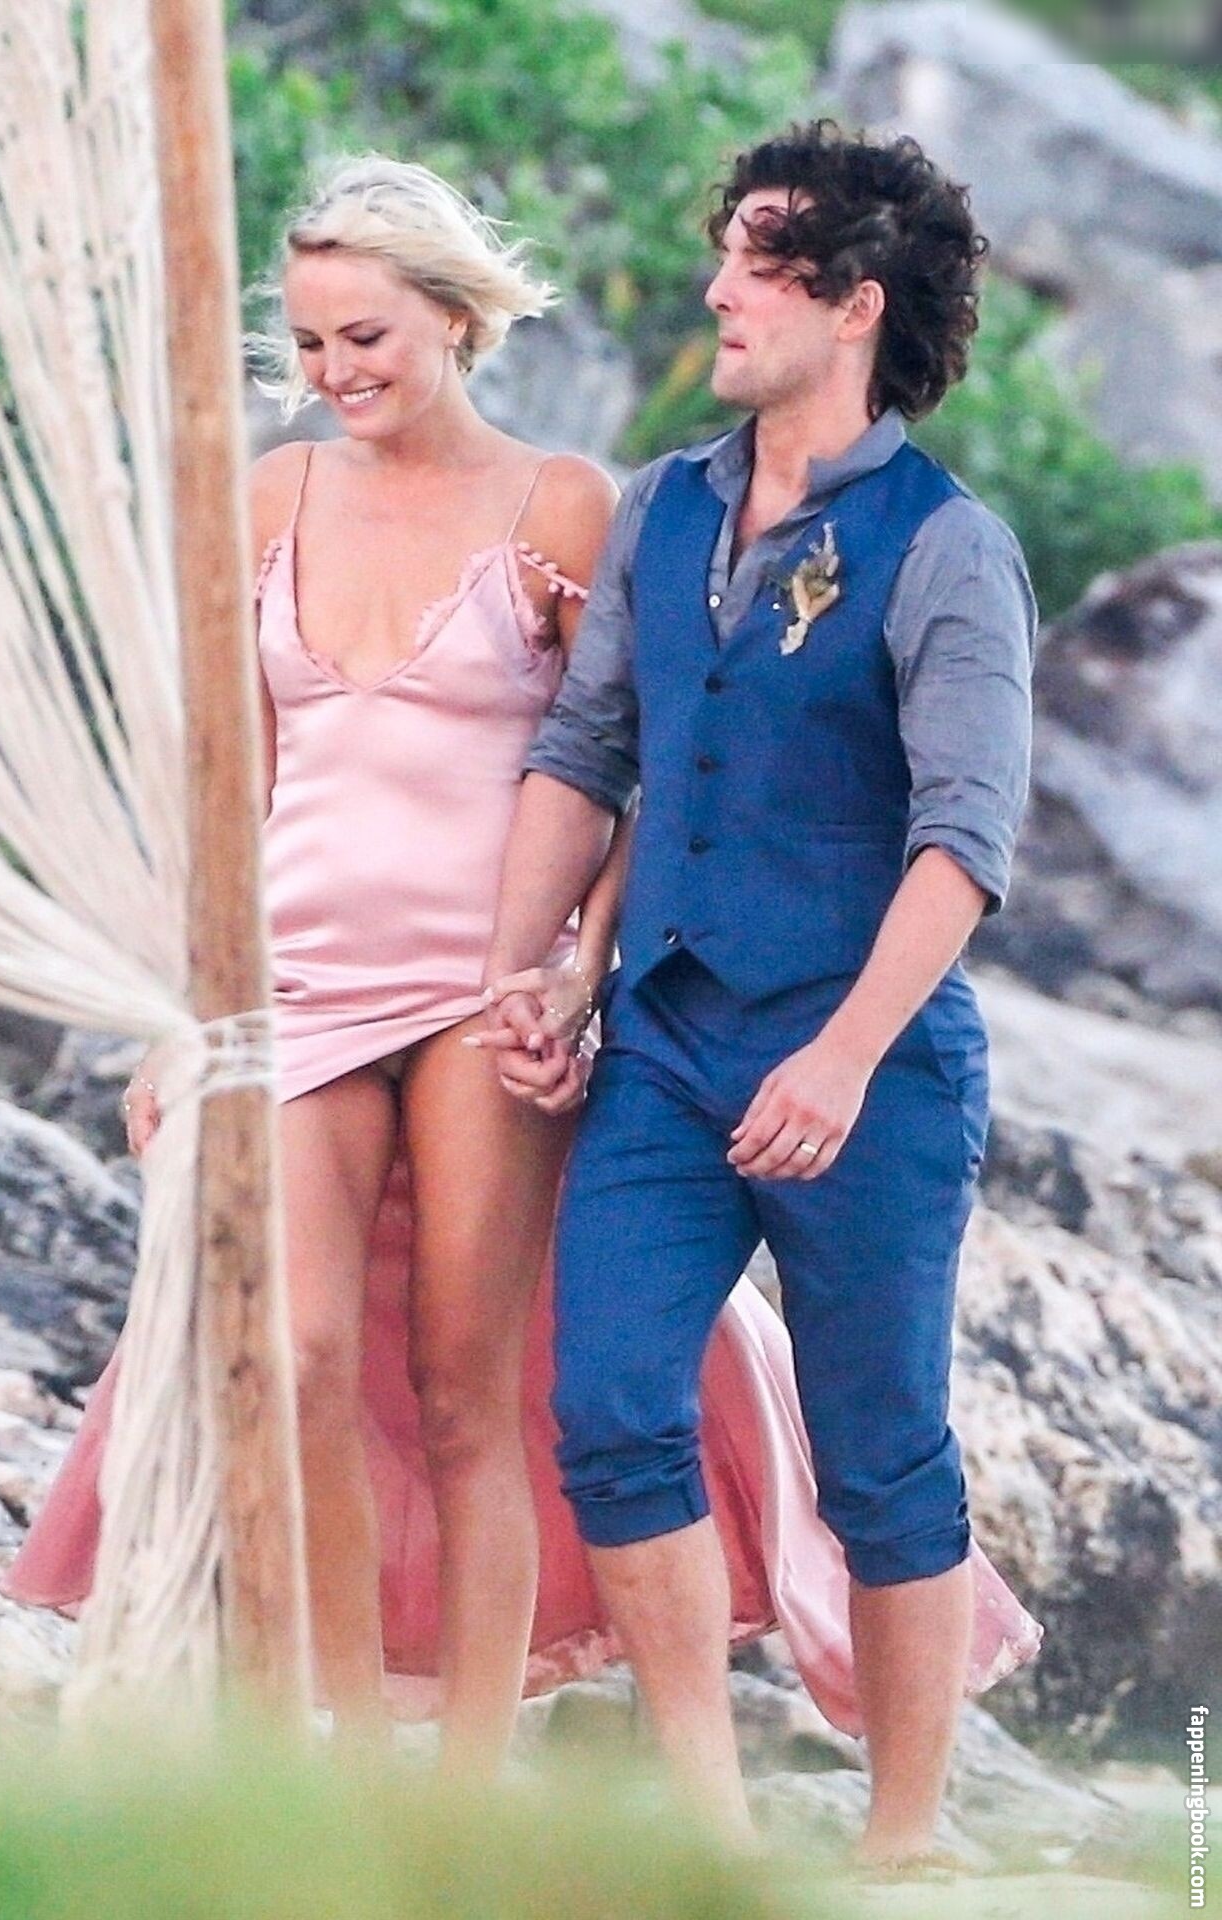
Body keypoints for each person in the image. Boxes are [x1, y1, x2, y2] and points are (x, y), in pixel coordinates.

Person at [6, 148, 1040, 1800]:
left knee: (659, 1419)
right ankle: (462, 1777)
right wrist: (231, 1008)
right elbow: (386, 766)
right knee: (426, 1378)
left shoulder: (764, 526)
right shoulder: (534, 504)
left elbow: (815, 801)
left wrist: (657, 994)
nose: (335, 372)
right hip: (448, 1009)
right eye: (312, 341)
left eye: (366, 338)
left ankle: (733, 1815)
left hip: (666, 1024)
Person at [478, 120, 1036, 1865]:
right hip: (664, 1041)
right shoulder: (664, 505)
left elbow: (963, 841)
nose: (717, 288)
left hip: (872, 1064)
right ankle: (714, 1837)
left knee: (881, 1450)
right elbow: (590, 751)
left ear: (854, 303)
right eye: (724, 252)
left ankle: (905, 1841)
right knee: (609, 1409)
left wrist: (848, 1058)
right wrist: (531, 973)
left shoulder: (949, 547)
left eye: (760, 261)